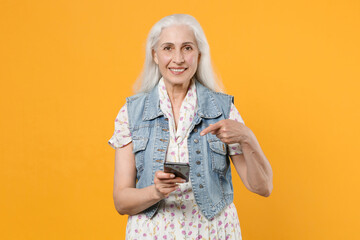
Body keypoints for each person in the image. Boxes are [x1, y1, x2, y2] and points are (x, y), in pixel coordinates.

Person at [108, 14, 273, 240]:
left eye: (187, 48)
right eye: (168, 48)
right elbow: (121, 200)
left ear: (198, 54)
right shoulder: (131, 113)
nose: (178, 59)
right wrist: (155, 191)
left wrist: (247, 137)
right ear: (155, 55)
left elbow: (263, 187)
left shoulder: (223, 110)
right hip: (151, 234)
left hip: (214, 233)